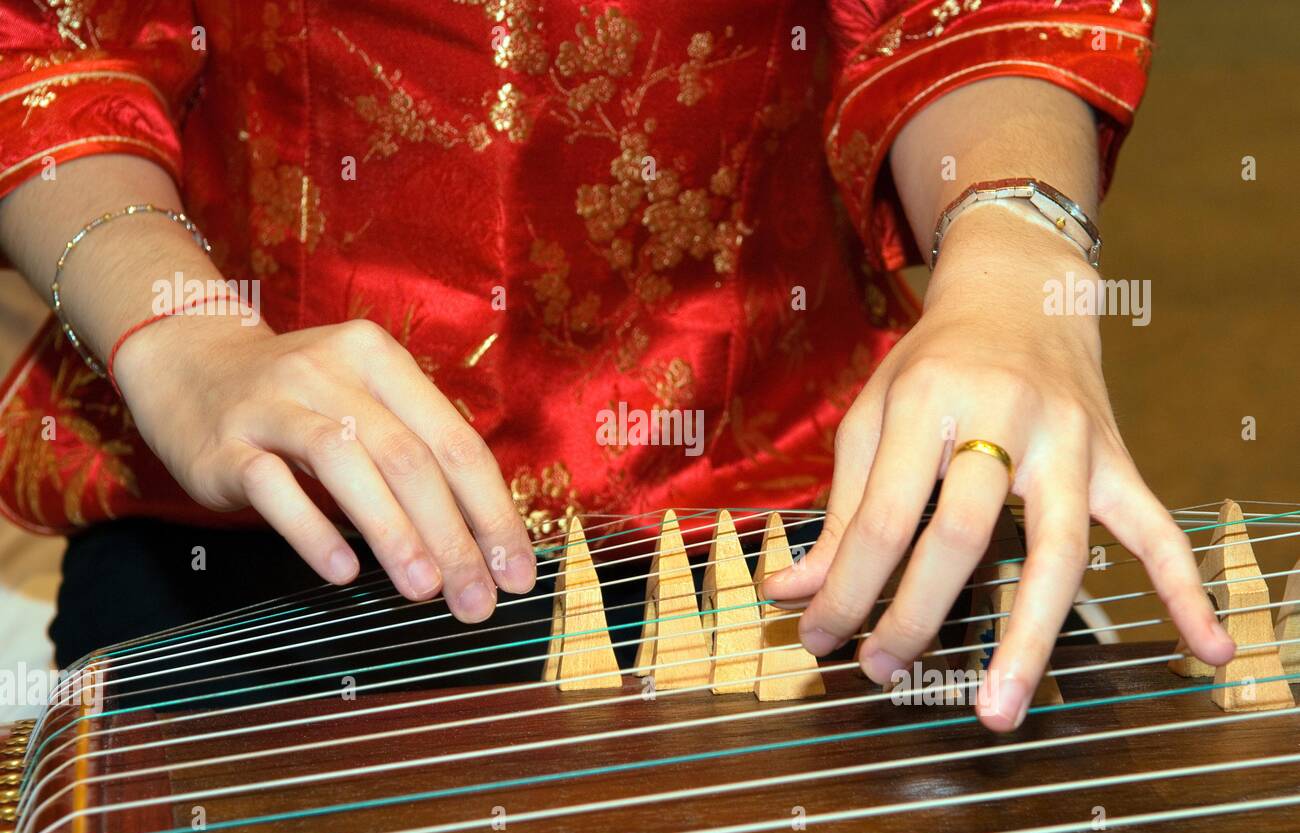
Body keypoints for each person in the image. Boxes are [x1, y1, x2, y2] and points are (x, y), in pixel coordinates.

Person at [0, 0, 1232, 731]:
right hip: (252, 491)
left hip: (785, 491)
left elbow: (966, 10)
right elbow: (43, 33)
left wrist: (1016, 244)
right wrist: (180, 328)